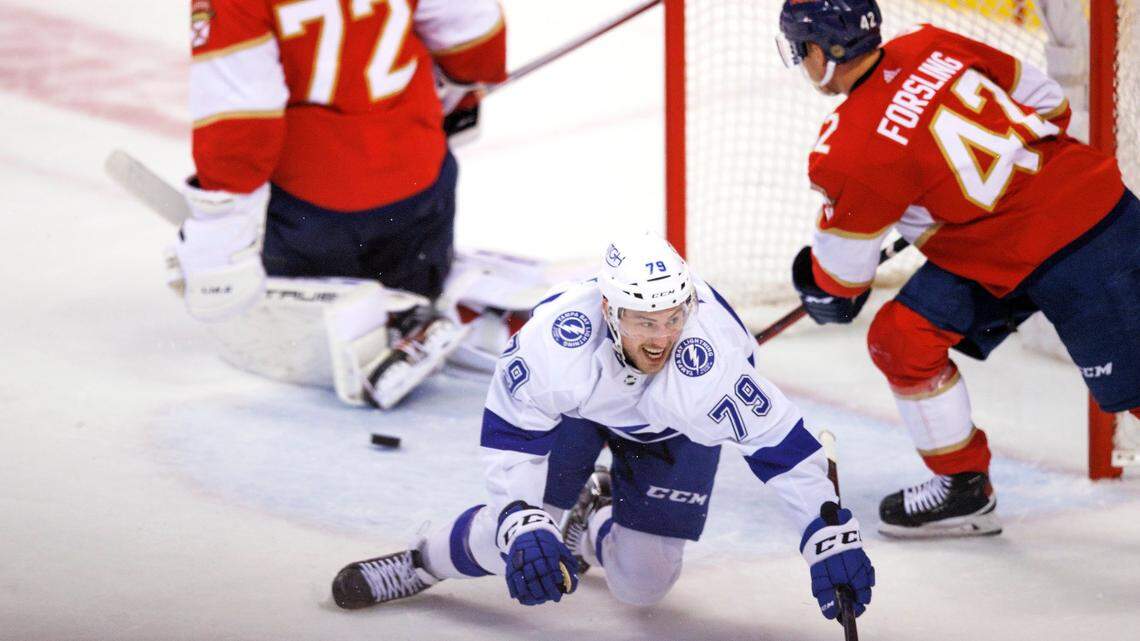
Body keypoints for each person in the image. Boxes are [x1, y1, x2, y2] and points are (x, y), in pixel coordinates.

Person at [328, 233, 875, 620]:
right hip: (577, 416)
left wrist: (828, 536)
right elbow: (514, 433)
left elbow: (783, 449)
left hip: (668, 435)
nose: (662, 339)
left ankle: (592, 522)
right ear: (610, 311)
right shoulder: (556, 343)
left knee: (642, 587)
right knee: (514, 544)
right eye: (644, 322)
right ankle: (423, 560)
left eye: (672, 318)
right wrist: (521, 520)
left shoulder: (713, 366)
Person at [777, 0, 1140, 538]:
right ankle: (964, 489)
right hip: (1006, 244)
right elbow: (1050, 104)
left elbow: (841, 285)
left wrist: (818, 289)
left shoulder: (849, 148)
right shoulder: (930, 43)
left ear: (819, 51)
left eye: (798, 49)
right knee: (903, 338)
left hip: (1081, 240)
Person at [172, 0, 508, 407]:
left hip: (313, 214)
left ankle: (372, 316)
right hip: (419, 195)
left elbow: (239, 126)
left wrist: (219, 234)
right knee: (417, 264)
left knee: (293, 307)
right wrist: (458, 91)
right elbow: (475, 38)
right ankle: (424, 307)